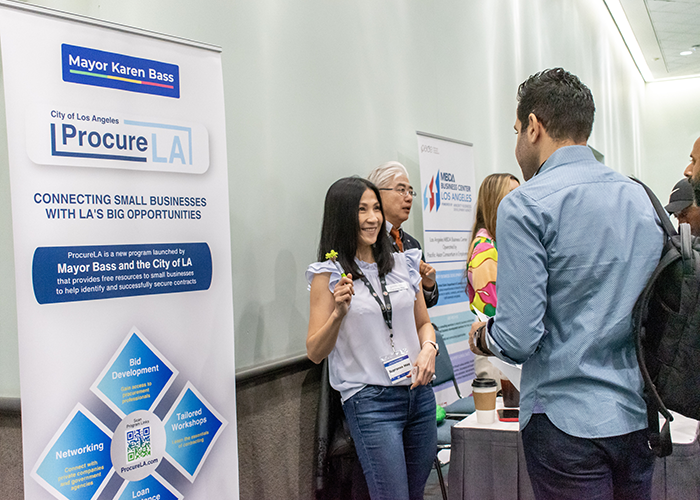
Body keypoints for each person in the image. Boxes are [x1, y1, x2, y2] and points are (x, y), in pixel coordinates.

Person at [468, 68, 664, 500]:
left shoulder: (526, 204)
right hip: (636, 412)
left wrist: (484, 338)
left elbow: (519, 337)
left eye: (517, 129)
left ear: (534, 127)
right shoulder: (641, 196)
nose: (517, 140)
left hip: (564, 420)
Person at [306, 177, 438, 500]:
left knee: (417, 494)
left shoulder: (402, 262)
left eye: (376, 208)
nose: (372, 218)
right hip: (371, 403)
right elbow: (314, 351)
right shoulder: (330, 274)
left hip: (419, 397)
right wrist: (338, 313)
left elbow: (424, 324)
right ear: (342, 216)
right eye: (362, 210)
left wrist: (429, 349)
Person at [465, 173, 519, 381]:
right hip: (496, 355)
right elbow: (493, 309)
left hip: (507, 349)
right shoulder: (485, 250)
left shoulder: (503, 243)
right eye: (512, 195)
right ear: (495, 201)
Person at [368, 162, 439, 307]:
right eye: (401, 190)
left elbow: (427, 304)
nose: (409, 198)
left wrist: (427, 286)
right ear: (377, 194)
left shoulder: (412, 244)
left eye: (410, 192)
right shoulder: (368, 242)